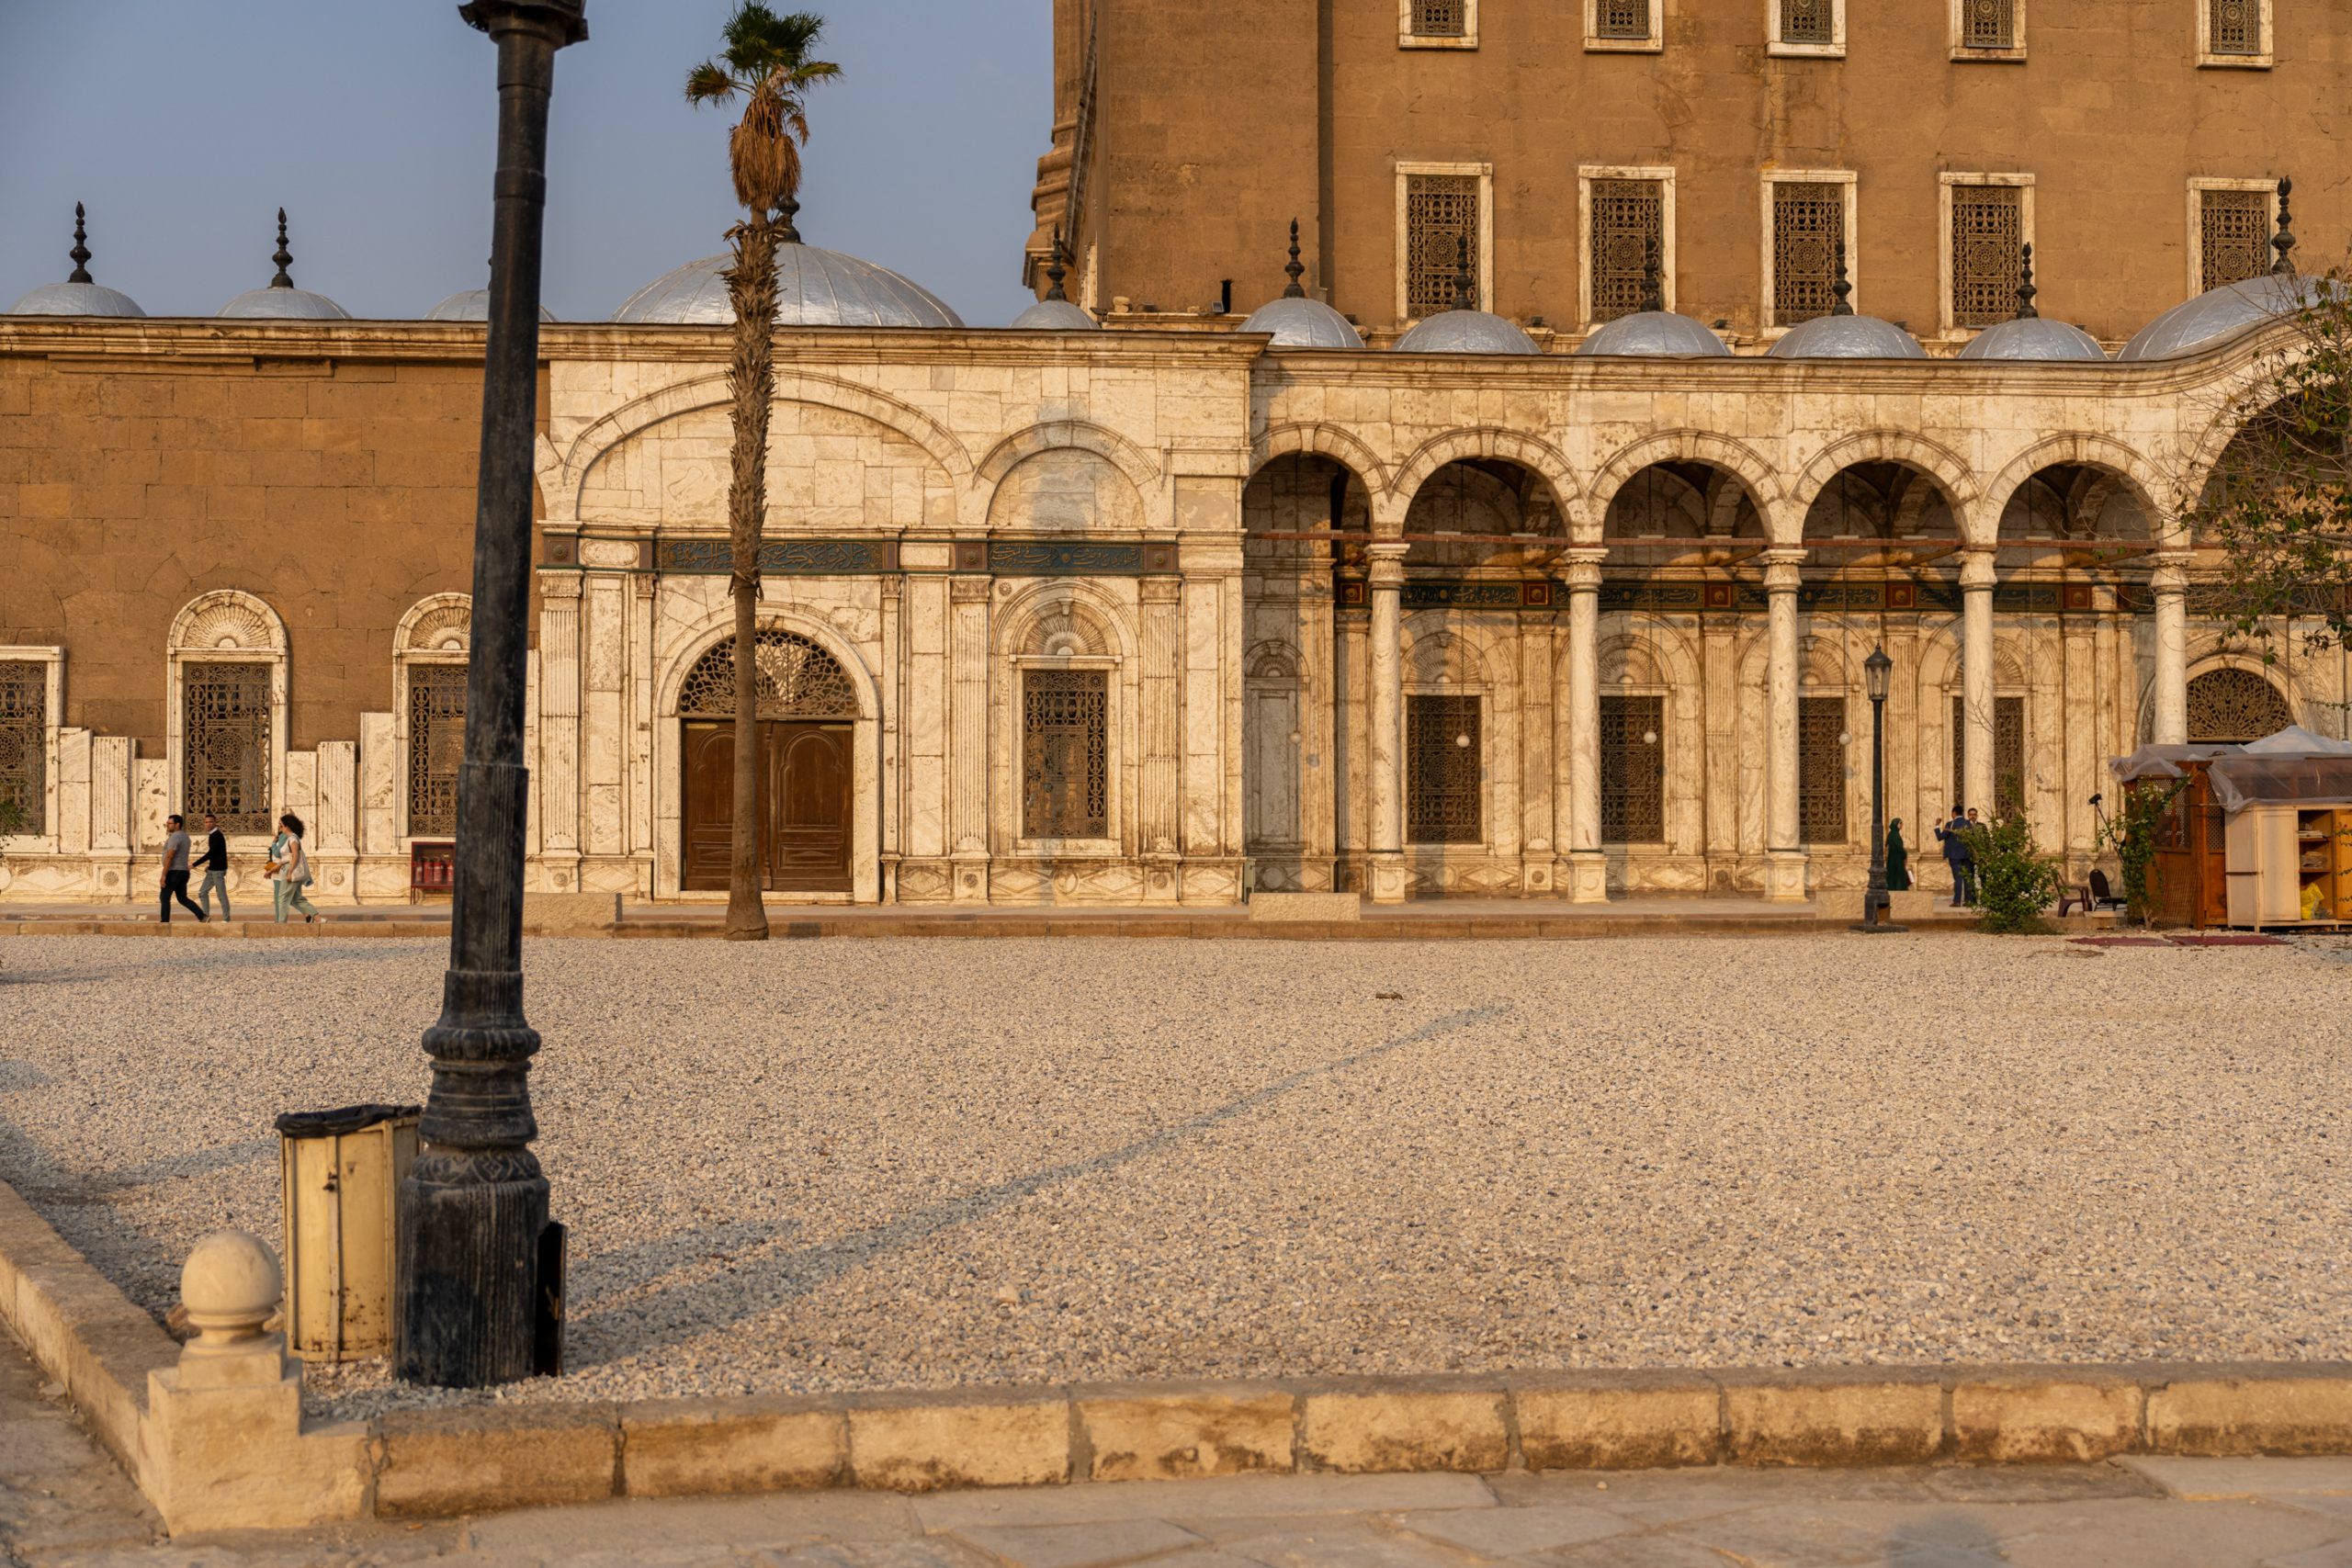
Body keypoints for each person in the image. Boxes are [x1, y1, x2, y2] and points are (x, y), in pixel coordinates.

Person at [270, 813, 319, 925]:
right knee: (294, 897)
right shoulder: (286, 836)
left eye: (281, 825)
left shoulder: (286, 837)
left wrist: (273, 844)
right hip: (280, 867)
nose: (279, 826)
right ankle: (312, 916)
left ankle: (279, 922)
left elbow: (280, 854)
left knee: (281, 897)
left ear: (287, 826)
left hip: (284, 869)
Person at [158, 813, 207, 924]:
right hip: (183, 872)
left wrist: (164, 875)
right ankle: (202, 916)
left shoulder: (175, 837)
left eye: (170, 823)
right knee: (182, 898)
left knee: (164, 897)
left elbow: (170, 856)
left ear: (177, 824)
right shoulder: (186, 837)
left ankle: (164, 923)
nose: (167, 825)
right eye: (167, 823)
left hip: (174, 871)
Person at [1935, 807, 1976, 908]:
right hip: (1967, 855)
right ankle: (1969, 901)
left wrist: (1937, 826)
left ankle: (1957, 901)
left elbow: (1940, 837)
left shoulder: (1950, 824)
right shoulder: (1968, 823)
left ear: (1953, 813)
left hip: (1954, 856)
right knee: (1968, 878)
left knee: (1958, 878)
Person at [194, 812, 231, 921]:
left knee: (221, 895)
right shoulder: (212, 835)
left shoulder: (217, 835)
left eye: (210, 822)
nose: (208, 824)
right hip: (212, 869)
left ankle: (226, 919)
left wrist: (194, 864)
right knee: (202, 892)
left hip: (218, 871)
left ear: (215, 823)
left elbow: (211, 853)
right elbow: (216, 854)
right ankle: (205, 917)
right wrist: (209, 866)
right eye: (206, 822)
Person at [1884, 817, 1911, 893]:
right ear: (1896, 824)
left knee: (1893, 874)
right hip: (1897, 859)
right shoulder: (1895, 834)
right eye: (1900, 823)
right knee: (1898, 874)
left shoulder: (1891, 833)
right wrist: (1904, 854)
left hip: (1892, 858)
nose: (1902, 825)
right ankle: (1899, 890)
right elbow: (1899, 847)